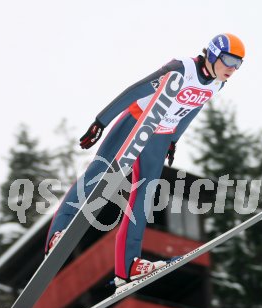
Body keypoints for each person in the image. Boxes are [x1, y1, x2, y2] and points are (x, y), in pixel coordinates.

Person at [45, 33, 245, 288]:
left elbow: (192, 109)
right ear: (215, 53)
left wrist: (174, 140)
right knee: (99, 174)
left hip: (160, 136)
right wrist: (101, 122)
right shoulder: (181, 69)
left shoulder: (217, 84)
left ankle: (128, 266)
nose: (232, 68)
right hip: (138, 121)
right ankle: (57, 235)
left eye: (238, 64)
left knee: (144, 196)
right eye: (229, 60)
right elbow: (136, 90)